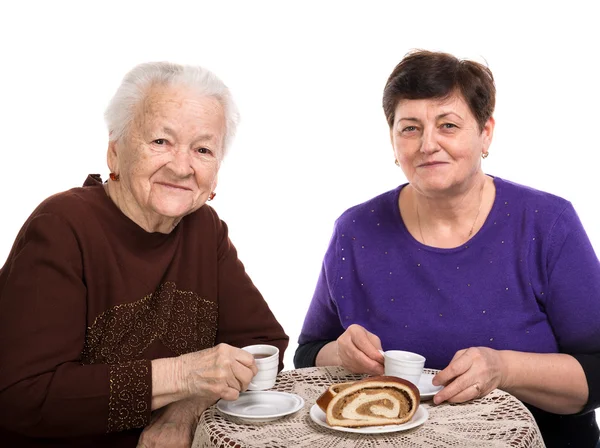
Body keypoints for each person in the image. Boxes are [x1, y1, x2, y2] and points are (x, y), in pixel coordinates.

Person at [294, 50, 600, 447]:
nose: (428, 144)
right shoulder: (355, 230)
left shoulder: (547, 223)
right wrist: (338, 352)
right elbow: (307, 356)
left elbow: (596, 370)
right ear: (392, 140)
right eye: (410, 128)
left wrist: (504, 368)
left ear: (486, 132)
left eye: (448, 125)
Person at [0, 62, 288, 448]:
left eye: (203, 149)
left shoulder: (204, 229)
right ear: (115, 152)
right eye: (160, 142)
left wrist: (186, 409)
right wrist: (184, 375)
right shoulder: (61, 226)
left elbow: (263, 344)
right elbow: (22, 396)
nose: (182, 166)